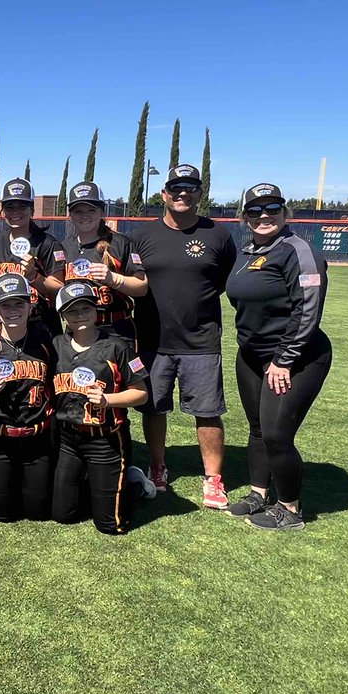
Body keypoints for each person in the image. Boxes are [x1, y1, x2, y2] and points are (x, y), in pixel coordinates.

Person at [225, 183, 331, 530]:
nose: (264, 216)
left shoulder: (297, 250)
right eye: (255, 210)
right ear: (244, 217)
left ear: (285, 212)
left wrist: (284, 358)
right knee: (257, 429)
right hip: (252, 354)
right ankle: (259, 494)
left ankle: (290, 509)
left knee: (276, 434)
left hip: (295, 357)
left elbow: (308, 309)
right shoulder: (246, 250)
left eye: (272, 209)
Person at [130, 164, 237, 506]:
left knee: (207, 411)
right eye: (175, 188)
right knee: (153, 408)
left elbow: (225, 282)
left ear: (199, 194)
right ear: (164, 194)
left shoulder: (217, 235)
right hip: (152, 339)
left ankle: (213, 479)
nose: (182, 194)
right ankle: (158, 467)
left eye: (190, 188)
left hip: (200, 339)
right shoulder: (141, 236)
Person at [49, 282, 155, 534]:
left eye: (86, 308)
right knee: (63, 515)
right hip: (68, 439)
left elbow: (141, 393)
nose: (80, 315)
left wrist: (109, 400)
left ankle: (135, 483)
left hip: (106, 439)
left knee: (110, 525)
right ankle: (97, 487)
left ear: (96, 311)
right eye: (72, 310)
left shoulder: (119, 346)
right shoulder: (56, 345)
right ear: (63, 315)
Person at [62, 180, 149, 478]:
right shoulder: (66, 247)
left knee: (117, 395)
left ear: (101, 210)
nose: (84, 215)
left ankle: (121, 463)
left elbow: (142, 287)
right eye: (78, 210)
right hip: (79, 329)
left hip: (116, 328)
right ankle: (82, 460)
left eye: (90, 208)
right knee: (80, 390)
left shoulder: (121, 242)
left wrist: (114, 278)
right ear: (70, 214)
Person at [0, 274, 57, 522]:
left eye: (19, 303)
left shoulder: (46, 340)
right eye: (5, 304)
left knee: (39, 512)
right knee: (2, 514)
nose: (13, 310)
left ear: (30, 305)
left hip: (37, 438)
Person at [0, 177, 66, 330]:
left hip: (42, 325)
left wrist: (33, 276)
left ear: (32, 210)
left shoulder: (48, 243)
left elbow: (59, 288)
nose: (15, 212)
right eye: (9, 207)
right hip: (6, 322)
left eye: (22, 206)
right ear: (3, 212)